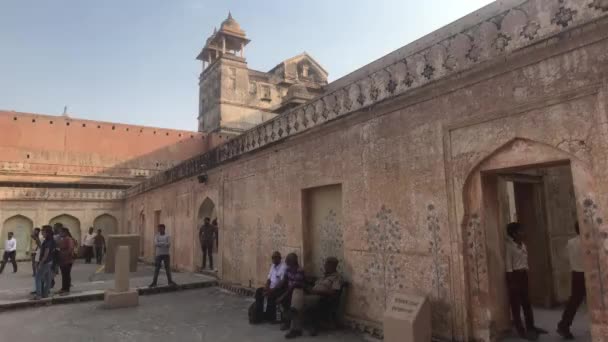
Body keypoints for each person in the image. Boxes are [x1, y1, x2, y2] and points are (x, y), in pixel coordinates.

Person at [505, 222, 547, 340]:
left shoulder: (523, 245)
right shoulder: (509, 247)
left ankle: (531, 327)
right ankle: (521, 330)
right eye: (520, 231)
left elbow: (525, 261)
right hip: (514, 276)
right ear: (514, 233)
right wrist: (511, 282)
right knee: (516, 305)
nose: (523, 233)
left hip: (523, 275)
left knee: (527, 303)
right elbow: (508, 265)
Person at [285, 257, 343, 338]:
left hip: (321, 298)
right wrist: (306, 286)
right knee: (297, 290)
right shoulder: (323, 276)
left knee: (297, 304)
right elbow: (313, 285)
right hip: (311, 294)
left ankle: (294, 327)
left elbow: (333, 292)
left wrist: (315, 292)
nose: (325, 266)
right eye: (325, 264)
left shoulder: (337, 277)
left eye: (327, 264)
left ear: (333, 265)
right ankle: (293, 310)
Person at [557, 222, 586, 339]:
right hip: (589, 274)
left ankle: (563, 325)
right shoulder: (588, 242)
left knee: (574, 301)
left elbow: (565, 257)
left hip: (576, 274)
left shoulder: (570, 242)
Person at [254, 251, 287, 322]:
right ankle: (260, 313)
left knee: (271, 296)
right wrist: (266, 287)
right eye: (272, 258)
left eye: (275, 257)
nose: (274, 259)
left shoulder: (283, 267)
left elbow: (281, 283)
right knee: (259, 292)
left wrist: (271, 290)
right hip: (270, 288)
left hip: (278, 289)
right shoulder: (272, 266)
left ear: (279, 258)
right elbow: (269, 278)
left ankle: (272, 317)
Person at [277, 253, 305, 332]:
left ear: (293, 261)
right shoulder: (288, 269)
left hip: (296, 292)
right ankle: (281, 319)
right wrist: (275, 288)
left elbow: (294, 286)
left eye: (288, 260)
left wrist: (282, 296)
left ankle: (287, 322)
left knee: (285, 299)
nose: (286, 262)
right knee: (277, 293)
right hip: (289, 290)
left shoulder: (300, 270)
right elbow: (284, 280)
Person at [32, 226, 56, 300]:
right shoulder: (49, 240)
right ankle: (45, 294)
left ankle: (38, 295)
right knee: (47, 278)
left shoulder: (48, 241)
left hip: (45, 262)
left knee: (38, 278)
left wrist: (41, 263)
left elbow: (46, 254)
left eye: (43, 231)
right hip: (49, 261)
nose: (42, 232)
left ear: (47, 233)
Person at [57, 228, 75, 294]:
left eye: (61, 232)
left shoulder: (69, 239)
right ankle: (63, 288)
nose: (59, 234)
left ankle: (67, 289)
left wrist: (65, 255)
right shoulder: (62, 239)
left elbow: (70, 249)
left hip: (67, 260)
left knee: (66, 275)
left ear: (65, 232)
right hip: (62, 260)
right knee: (64, 275)